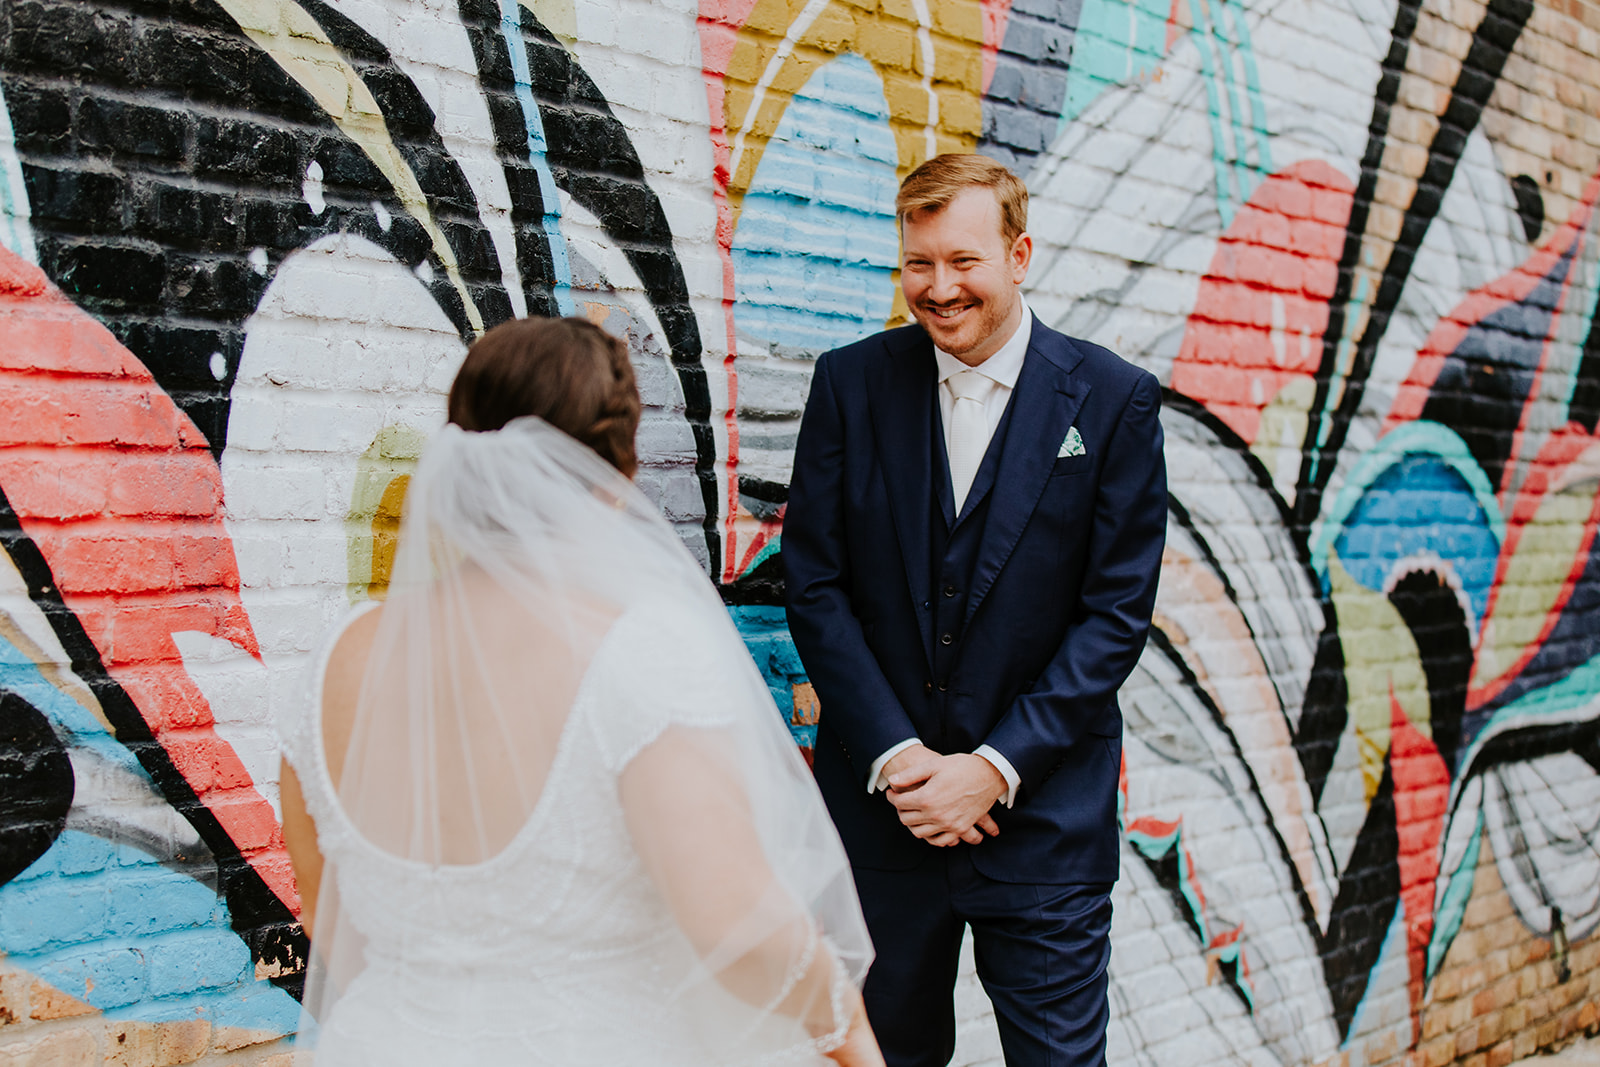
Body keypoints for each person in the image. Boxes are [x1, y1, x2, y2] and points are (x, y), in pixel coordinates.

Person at [277, 317, 884, 1066]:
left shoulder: (338, 658)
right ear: (613, 477)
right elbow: (735, 924)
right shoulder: (640, 652)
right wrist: (850, 1034)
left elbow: (333, 922)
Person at [783, 154, 1167, 1066]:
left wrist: (993, 768)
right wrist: (901, 759)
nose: (939, 288)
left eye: (964, 262)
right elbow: (815, 583)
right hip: (884, 821)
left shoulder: (1114, 402)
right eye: (919, 263)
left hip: (1042, 827)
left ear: (1019, 253)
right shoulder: (849, 384)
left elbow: (1115, 616)